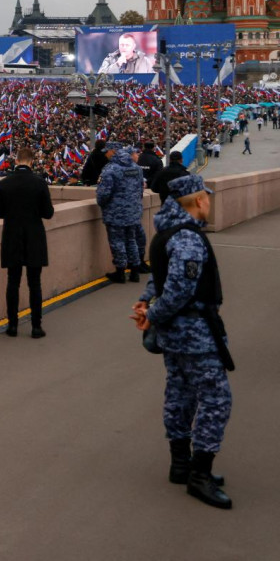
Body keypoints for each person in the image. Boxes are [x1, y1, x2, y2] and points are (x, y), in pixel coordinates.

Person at [131, 174, 233, 509]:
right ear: (199, 201)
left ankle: (180, 465)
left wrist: (147, 304)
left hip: (175, 335)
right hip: (195, 333)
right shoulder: (188, 239)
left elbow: (158, 280)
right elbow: (177, 291)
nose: (209, 201)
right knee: (216, 398)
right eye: (207, 196)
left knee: (180, 393)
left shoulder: (167, 232)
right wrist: (154, 314)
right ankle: (199, 474)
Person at [0, 147, 54, 338]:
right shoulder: (39, 183)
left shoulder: (4, 183)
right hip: (34, 236)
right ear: (32, 162)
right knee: (34, 283)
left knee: (13, 282)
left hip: (12, 236)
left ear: (16, 161)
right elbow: (48, 213)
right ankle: (36, 327)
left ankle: (12, 326)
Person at [96, 142, 145, 283]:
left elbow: (104, 194)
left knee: (117, 242)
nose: (106, 154)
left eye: (107, 152)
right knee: (131, 240)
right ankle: (135, 271)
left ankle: (120, 272)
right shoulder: (136, 168)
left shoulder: (110, 169)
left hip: (115, 212)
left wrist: (102, 204)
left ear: (113, 152)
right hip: (133, 211)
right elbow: (140, 190)